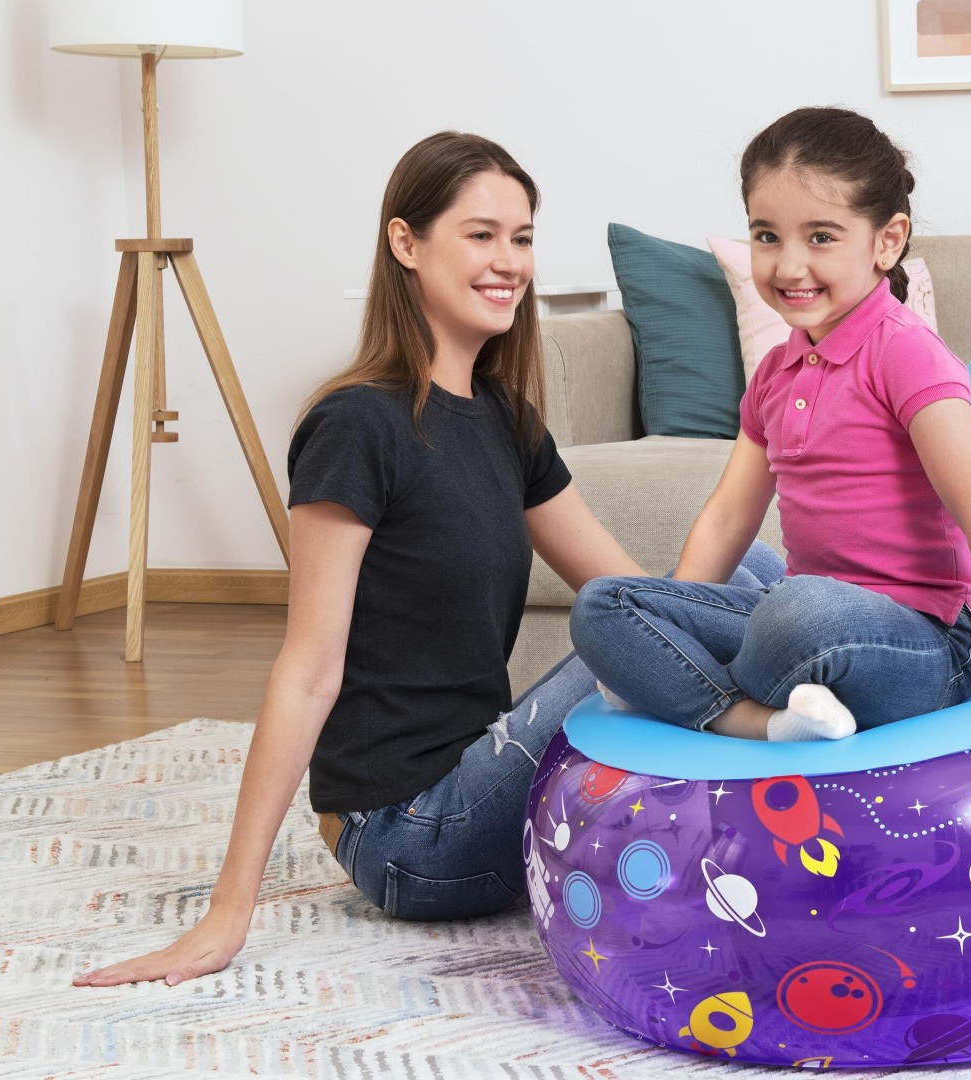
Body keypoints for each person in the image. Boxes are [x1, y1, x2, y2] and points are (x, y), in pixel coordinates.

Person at [74, 132, 679, 987]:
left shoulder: (506, 418)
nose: (509, 261)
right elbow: (306, 671)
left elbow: (635, 600)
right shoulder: (357, 425)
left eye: (521, 237)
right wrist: (227, 911)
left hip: (483, 785)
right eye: (480, 234)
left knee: (734, 583)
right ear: (406, 242)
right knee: (678, 622)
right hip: (408, 833)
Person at [572, 107, 971, 747]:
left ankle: (677, 685)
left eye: (820, 237)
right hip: (808, 620)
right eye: (767, 236)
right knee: (605, 604)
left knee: (796, 611)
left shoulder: (906, 353)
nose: (789, 266)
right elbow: (729, 518)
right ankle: (751, 720)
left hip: (925, 643)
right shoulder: (774, 374)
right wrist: (676, 613)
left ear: (887, 241)